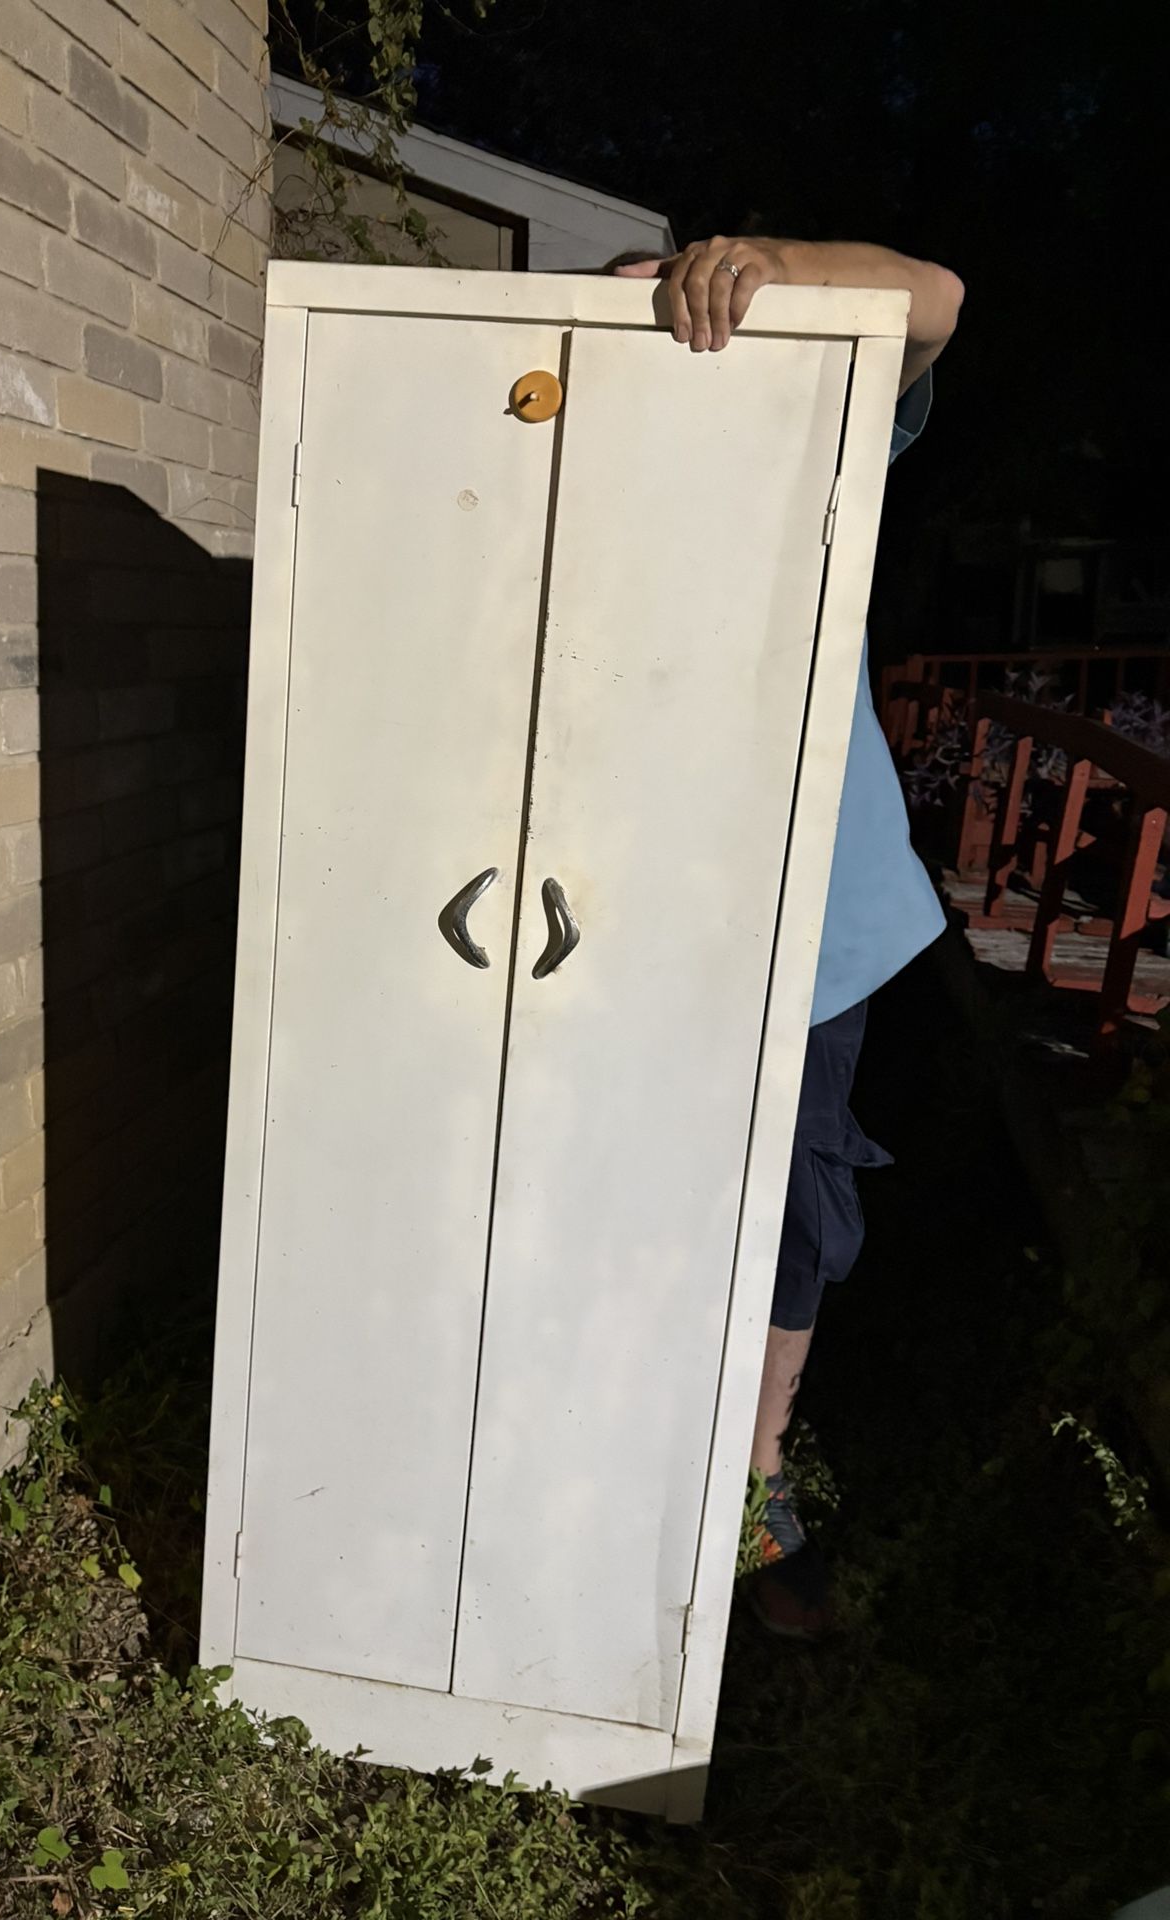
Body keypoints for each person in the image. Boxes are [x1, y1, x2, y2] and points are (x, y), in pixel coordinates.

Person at [612, 237, 964, 1638]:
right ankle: (628, 1438)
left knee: (798, 1200)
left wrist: (765, 261)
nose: (664, 323)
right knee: (638, 1176)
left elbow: (937, 302)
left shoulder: (806, 420)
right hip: (635, 916)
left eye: (677, 294)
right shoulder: (585, 452)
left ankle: (758, 1471)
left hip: (815, 911)